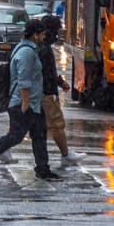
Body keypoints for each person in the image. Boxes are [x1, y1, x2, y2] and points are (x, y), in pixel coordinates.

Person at [0, 18, 60, 181]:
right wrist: (25, 103)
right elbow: (24, 79)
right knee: (15, 136)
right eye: (43, 34)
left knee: (39, 134)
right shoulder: (27, 52)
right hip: (23, 103)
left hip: (33, 103)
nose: (45, 37)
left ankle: (43, 168)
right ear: (35, 35)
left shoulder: (29, 48)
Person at [37, 14, 87, 165]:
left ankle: (63, 155)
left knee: (29, 125)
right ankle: (65, 155)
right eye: (56, 31)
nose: (58, 35)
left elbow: (47, 72)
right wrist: (54, 87)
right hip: (46, 93)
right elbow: (45, 73)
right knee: (56, 123)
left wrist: (59, 82)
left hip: (44, 92)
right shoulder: (43, 49)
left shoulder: (42, 47)